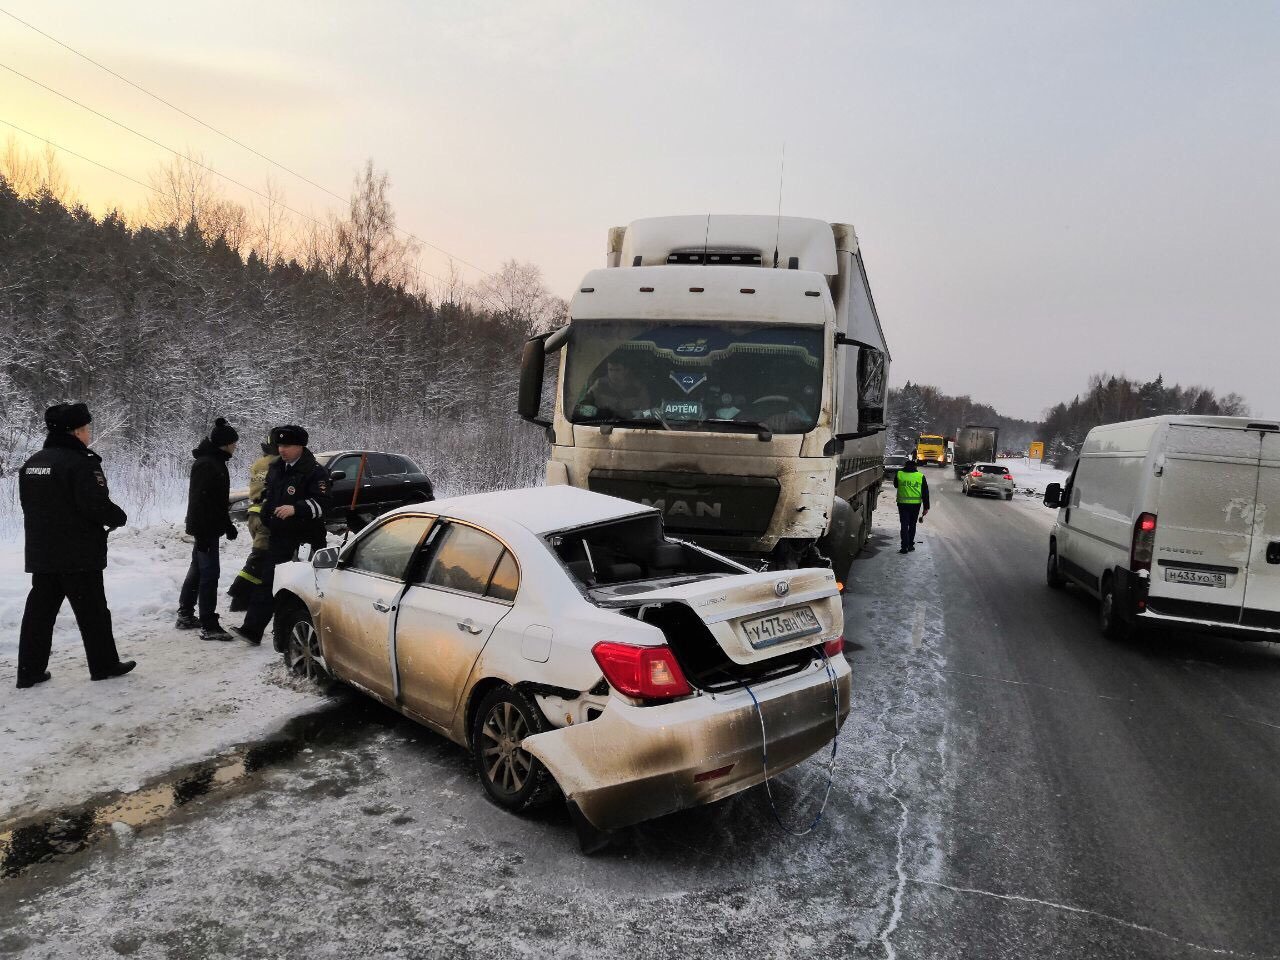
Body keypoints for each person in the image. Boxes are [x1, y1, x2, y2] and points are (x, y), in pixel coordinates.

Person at [16, 403, 135, 688]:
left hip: (43, 553)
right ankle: (104, 665)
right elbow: (94, 505)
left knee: (39, 614)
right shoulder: (81, 462)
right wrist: (117, 516)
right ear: (77, 431)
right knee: (93, 611)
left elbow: (30, 506)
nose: (88, 432)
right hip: (78, 554)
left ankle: (29, 671)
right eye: (86, 428)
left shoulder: (33, 463)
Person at [231, 425, 331, 645]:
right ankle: (252, 629)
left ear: (300, 446)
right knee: (268, 581)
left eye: (287, 445)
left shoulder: (315, 471)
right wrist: (267, 513)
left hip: (307, 538)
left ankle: (313, 633)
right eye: (279, 445)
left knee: (304, 587)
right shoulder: (277, 467)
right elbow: (269, 495)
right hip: (280, 536)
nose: (282, 449)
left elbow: (323, 504)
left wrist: (296, 509)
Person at [176, 417, 240, 640]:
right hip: (206, 529)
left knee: (198, 570)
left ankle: (185, 614)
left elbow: (216, 502)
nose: (235, 447)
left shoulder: (214, 462)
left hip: (210, 527)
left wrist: (227, 525)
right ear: (225, 444)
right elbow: (200, 502)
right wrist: (202, 533)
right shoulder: (208, 464)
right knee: (209, 575)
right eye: (233, 443)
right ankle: (209, 625)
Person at [227, 431, 279, 613]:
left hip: (253, 516)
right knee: (259, 558)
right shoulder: (277, 464)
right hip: (266, 519)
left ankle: (255, 599)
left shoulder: (259, 463)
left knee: (265, 560)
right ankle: (239, 595)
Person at [582, 357, 651, 416]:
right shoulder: (600, 384)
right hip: (601, 422)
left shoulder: (638, 387)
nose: (613, 374)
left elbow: (646, 412)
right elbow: (586, 402)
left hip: (630, 424)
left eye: (618, 370)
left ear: (626, 371)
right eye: (610, 370)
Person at [893, 457, 930, 554]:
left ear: (905, 466)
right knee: (912, 525)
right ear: (915, 467)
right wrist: (926, 507)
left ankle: (904, 547)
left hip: (902, 504)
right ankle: (910, 545)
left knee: (904, 525)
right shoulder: (920, 476)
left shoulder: (899, 474)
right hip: (915, 505)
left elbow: (896, 485)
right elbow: (925, 493)